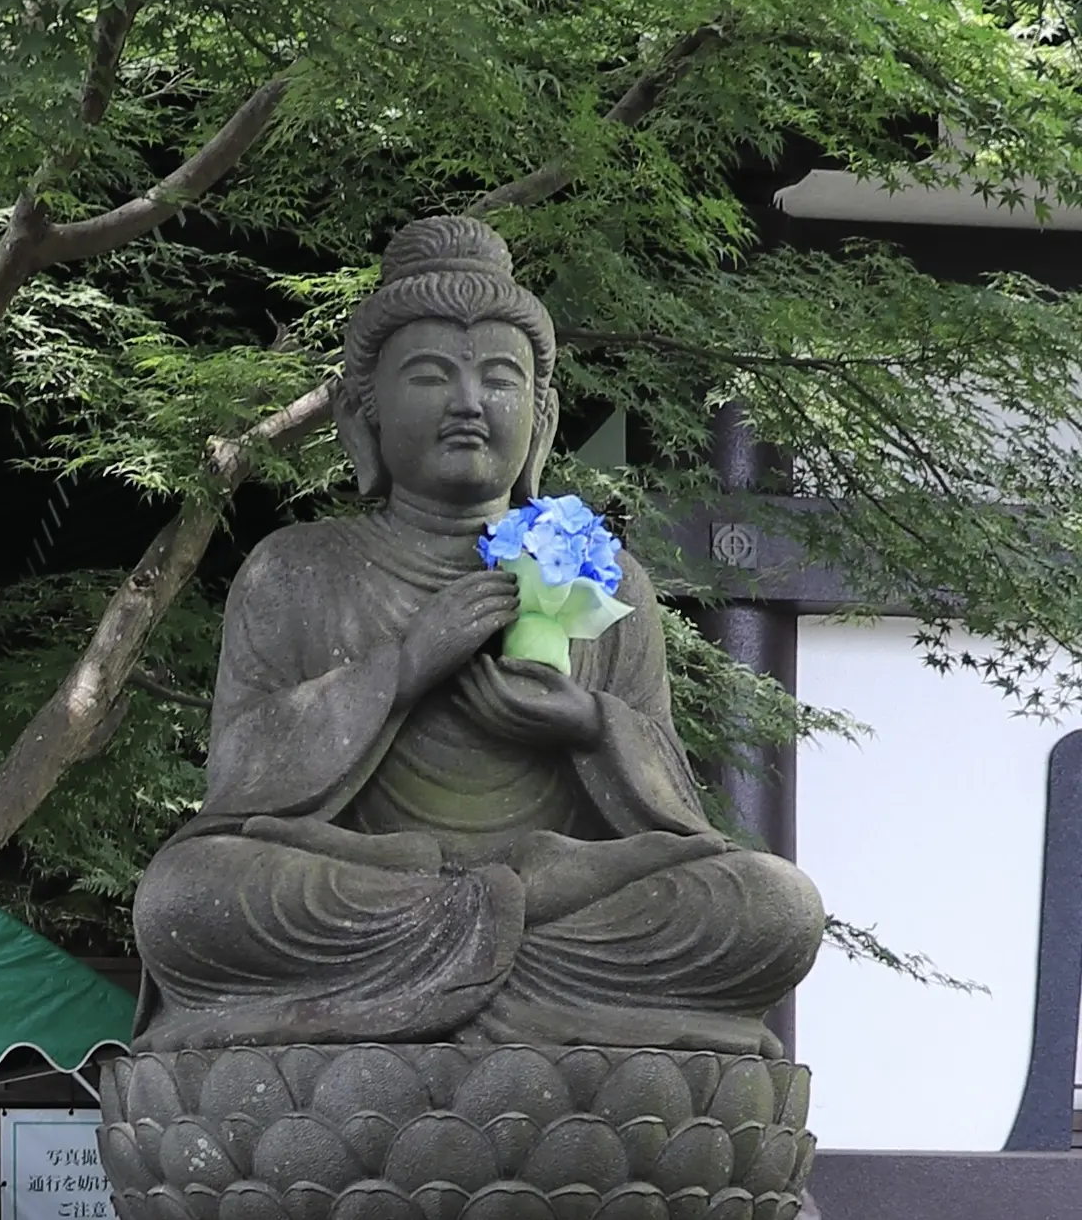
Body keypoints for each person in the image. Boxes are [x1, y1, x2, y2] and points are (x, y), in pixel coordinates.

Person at [132, 216, 824, 1058]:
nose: (468, 402)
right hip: (375, 889)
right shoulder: (295, 571)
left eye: (500, 378)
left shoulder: (603, 579)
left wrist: (589, 723)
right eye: (429, 377)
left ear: (543, 414)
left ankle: (447, 993)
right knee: (187, 897)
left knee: (773, 904)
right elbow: (240, 783)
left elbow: (677, 815)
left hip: (562, 896)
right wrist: (401, 668)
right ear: (364, 415)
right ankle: (525, 1001)